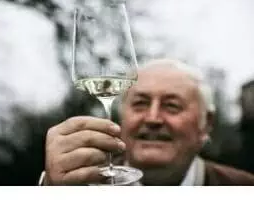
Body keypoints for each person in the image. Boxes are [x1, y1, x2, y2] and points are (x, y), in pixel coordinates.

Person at [41, 58, 254, 186]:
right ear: (122, 116)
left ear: (206, 123)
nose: (152, 119)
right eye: (140, 103)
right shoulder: (82, 188)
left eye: (172, 106)